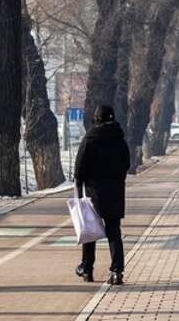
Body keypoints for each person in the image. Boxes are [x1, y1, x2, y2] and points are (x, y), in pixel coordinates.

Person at [74, 105, 131, 285]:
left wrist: (79, 186)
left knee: (90, 231)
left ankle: (87, 269)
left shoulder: (90, 138)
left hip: (94, 191)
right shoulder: (119, 138)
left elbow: (79, 166)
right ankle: (117, 271)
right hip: (115, 191)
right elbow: (127, 163)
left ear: (97, 118)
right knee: (114, 231)